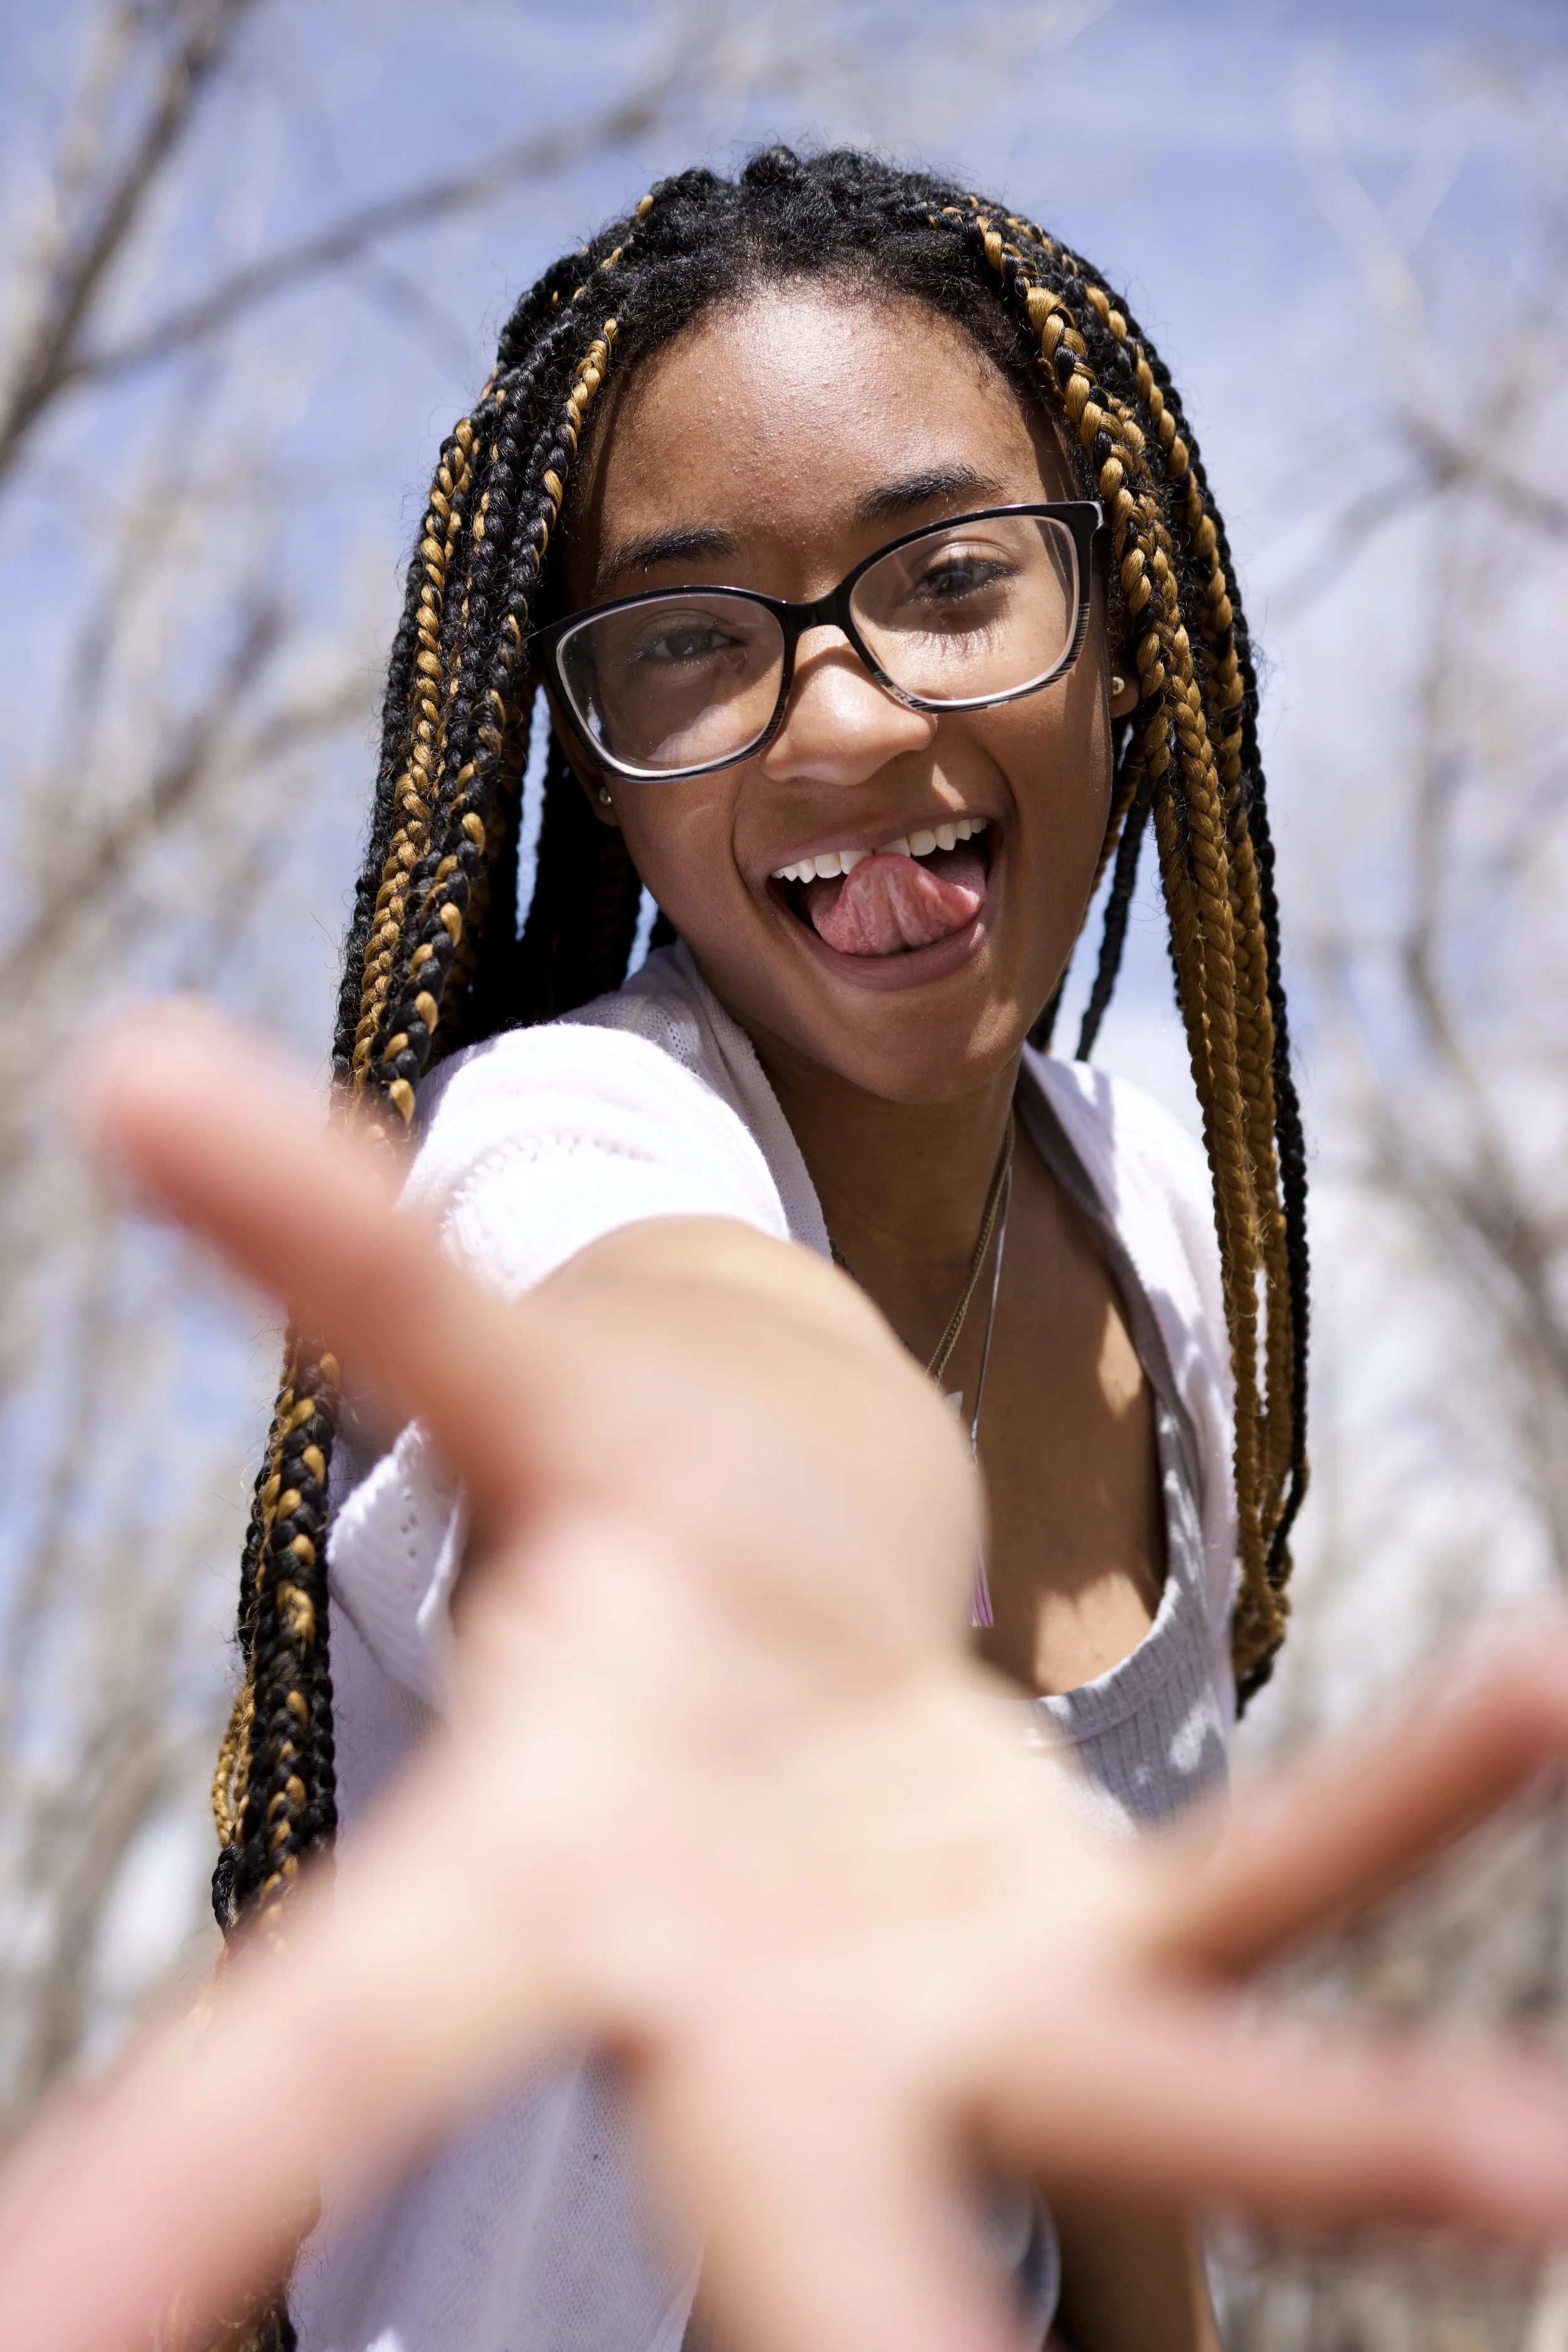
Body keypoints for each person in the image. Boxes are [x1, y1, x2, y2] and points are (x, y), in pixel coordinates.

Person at [8, 144, 1557, 2352]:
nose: (839, 716)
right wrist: (744, 1579)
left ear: (1114, 621)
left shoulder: (1154, 1269)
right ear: (602, 766)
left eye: (944, 577)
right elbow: (705, 1378)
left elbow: (1101, 2152)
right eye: (687, 635)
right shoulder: (557, 1142)